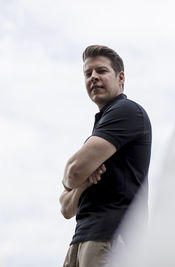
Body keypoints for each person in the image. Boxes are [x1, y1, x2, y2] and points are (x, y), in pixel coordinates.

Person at [59, 45, 152, 267]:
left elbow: (74, 171)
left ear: (121, 78)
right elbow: (65, 209)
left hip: (109, 238)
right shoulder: (99, 133)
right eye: (88, 73)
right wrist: (81, 186)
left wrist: (74, 179)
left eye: (101, 71)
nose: (93, 78)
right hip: (79, 242)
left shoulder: (127, 111)